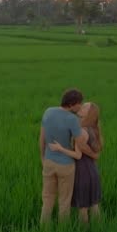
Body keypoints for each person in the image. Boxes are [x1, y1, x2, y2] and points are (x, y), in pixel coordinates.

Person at [39, 89, 96, 224]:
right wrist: (95, 154)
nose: (80, 107)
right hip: (66, 165)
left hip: (48, 162)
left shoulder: (48, 111)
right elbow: (81, 146)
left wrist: (43, 158)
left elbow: (41, 139)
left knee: (47, 200)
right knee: (64, 202)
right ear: (72, 104)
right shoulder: (73, 119)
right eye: (79, 104)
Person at [49, 102, 103, 224]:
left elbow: (78, 155)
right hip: (92, 171)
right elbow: (95, 153)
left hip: (82, 171)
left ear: (89, 114)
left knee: (82, 208)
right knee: (94, 205)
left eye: (85, 107)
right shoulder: (93, 129)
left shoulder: (82, 131)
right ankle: (99, 230)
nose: (81, 107)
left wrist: (60, 148)